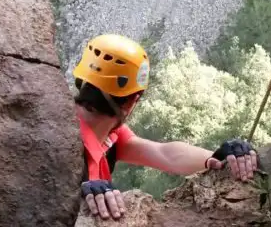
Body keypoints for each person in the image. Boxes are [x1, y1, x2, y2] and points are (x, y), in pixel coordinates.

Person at [73, 33, 260, 221]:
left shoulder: (107, 135)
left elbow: (166, 154)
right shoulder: (71, 149)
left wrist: (215, 157)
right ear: (131, 103)